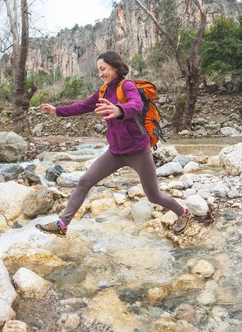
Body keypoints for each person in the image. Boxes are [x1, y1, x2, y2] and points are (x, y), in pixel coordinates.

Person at [35, 51, 192, 238]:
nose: (100, 74)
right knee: (85, 181)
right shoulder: (103, 90)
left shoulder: (127, 85)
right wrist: (56, 111)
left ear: (115, 67)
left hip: (138, 152)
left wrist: (119, 109)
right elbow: (84, 106)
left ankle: (184, 213)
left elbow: (136, 105)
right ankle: (62, 225)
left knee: (153, 196)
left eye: (103, 69)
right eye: (98, 70)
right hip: (115, 153)